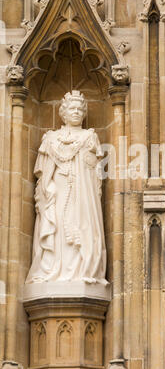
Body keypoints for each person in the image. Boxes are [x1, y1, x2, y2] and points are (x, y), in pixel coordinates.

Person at [25, 90, 107, 284]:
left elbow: (95, 174)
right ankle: (54, 271)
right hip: (59, 192)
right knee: (60, 228)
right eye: (72, 108)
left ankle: (84, 270)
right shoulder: (51, 139)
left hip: (84, 194)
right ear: (63, 112)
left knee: (84, 227)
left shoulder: (90, 137)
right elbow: (44, 173)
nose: (77, 112)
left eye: (80, 109)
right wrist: (48, 188)